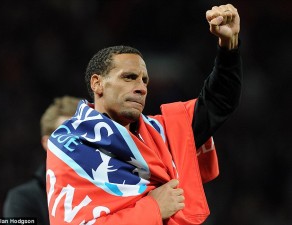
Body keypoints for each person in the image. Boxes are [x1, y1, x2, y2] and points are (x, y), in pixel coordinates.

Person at [46, 3, 242, 225]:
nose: (141, 87)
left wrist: (229, 45)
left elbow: (219, 102)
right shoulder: (69, 144)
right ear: (97, 84)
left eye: (144, 80)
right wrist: (153, 208)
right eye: (129, 77)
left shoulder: (162, 133)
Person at [3, 96, 81, 225]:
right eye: (67, 136)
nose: (78, 143)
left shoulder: (113, 188)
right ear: (47, 143)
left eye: (85, 134)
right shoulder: (23, 199)